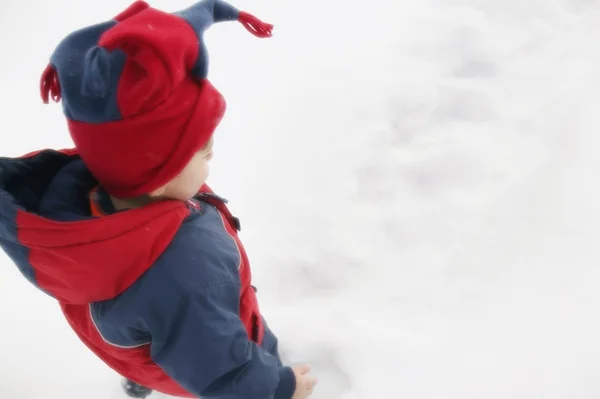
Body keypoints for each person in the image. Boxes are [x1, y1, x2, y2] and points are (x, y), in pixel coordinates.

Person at [0, 0, 318, 398]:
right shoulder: (186, 275)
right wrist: (278, 389)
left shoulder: (83, 206)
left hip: (137, 338)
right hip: (203, 345)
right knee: (227, 347)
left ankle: (142, 372)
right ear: (156, 181)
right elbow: (223, 371)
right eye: (202, 152)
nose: (212, 157)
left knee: (158, 330)